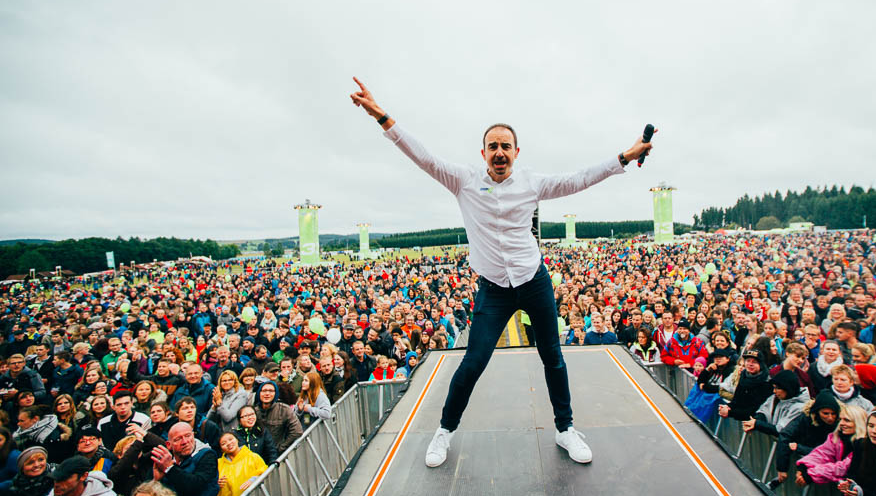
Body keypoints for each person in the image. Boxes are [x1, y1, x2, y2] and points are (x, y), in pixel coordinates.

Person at [351, 77, 654, 468]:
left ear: (516, 152)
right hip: (493, 289)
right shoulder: (462, 181)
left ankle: (565, 429)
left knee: (553, 357)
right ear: (483, 152)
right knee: (473, 361)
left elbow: (579, 179)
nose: (499, 152)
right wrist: (382, 117)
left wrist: (625, 156)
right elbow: (422, 156)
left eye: (505, 146)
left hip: (534, 281)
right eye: (492, 146)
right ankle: (444, 431)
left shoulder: (532, 183)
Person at [795, 405, 868, 486]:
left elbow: (843, 468)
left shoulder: (863, 443)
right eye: (840, 419)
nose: (841, 423)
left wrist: (810, 474)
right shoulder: (836, 437)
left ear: (858, 423)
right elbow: (822, 454)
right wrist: (803, 467)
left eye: (847, 420)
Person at [214, 432, 268, 496]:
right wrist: (216, 484)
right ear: (221, 449)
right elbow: (211, 484)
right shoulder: (218, 464)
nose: (228, 444)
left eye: (231, 439)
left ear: (237, 440)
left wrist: (254, 480)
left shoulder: (253, 457)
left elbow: (265, 472)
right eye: (223, 443)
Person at [253, 382, 302, 455]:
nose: (267, 393)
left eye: (271, 391)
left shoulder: (284, 409)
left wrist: (281, 448)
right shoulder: (254, 411)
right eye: (264, 391)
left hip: (276, 454)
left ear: (275, 394)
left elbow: (297, 431)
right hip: (257, 455)